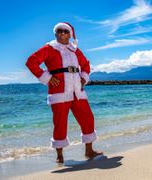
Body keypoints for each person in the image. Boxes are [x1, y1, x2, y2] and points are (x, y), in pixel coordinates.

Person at [26, 22, 102, 163]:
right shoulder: (49, 48)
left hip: (77, 91)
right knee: (60, 123)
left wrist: (83, 79)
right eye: (59, 31)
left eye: (65, 31)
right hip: (59, 92)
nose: (62, 33)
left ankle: (89, 151)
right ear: (55, 33)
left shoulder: (75, 50)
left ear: (70, 34)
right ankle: (59, 156)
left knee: (88, 118)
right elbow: (31, 62)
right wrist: (47, 78)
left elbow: (85, 65)